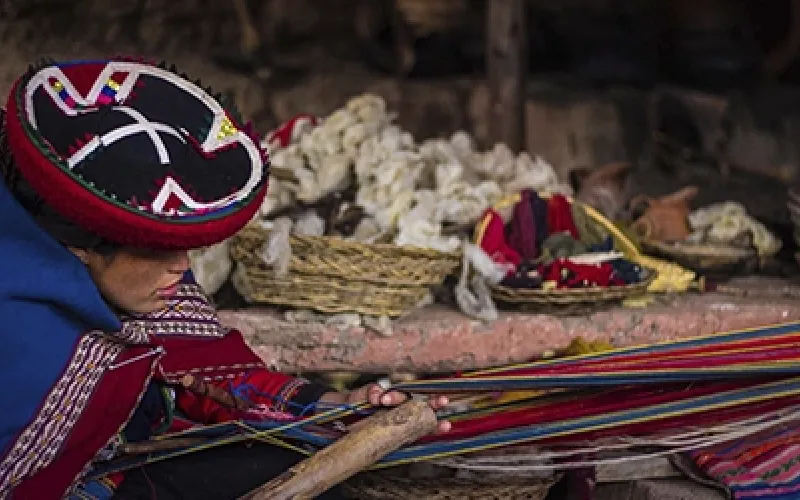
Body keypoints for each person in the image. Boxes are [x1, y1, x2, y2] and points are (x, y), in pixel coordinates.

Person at [0, 58, 449, 500]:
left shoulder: (133, 285)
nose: (182, 266)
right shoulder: (21, 335)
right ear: (81, 244)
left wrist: (328, 406)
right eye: (156, 248)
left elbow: (193, 370)